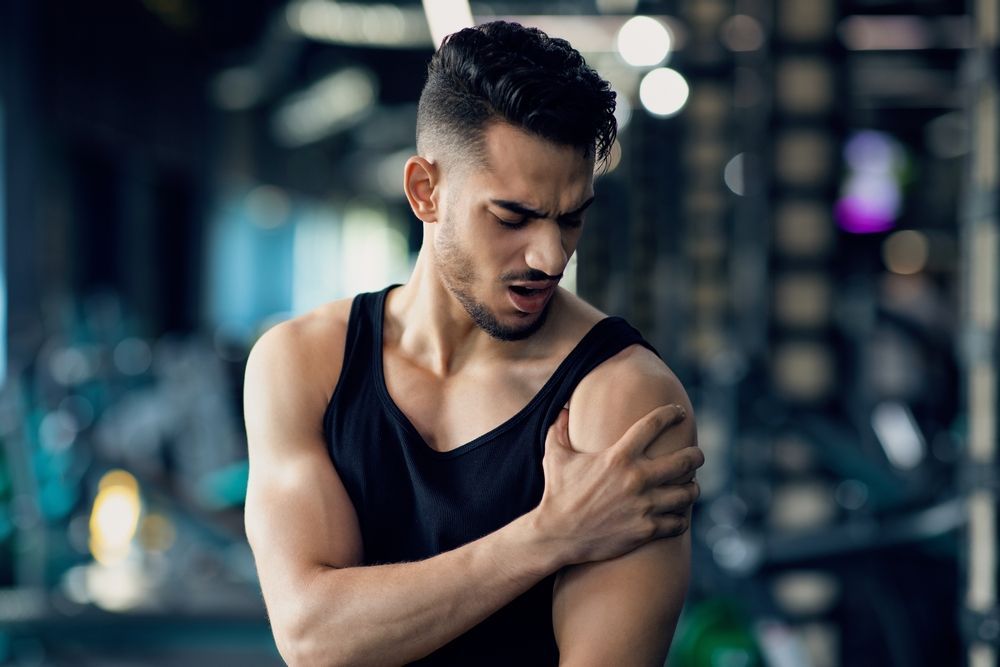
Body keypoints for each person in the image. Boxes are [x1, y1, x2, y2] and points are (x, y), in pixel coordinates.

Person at [243, 21, 704, 666]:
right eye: (512, 218)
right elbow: (313, 637)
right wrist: (547, 536)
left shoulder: (623, 400)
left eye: (571, 218)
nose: (550, 257)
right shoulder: (302, 365)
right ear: (425, 191)